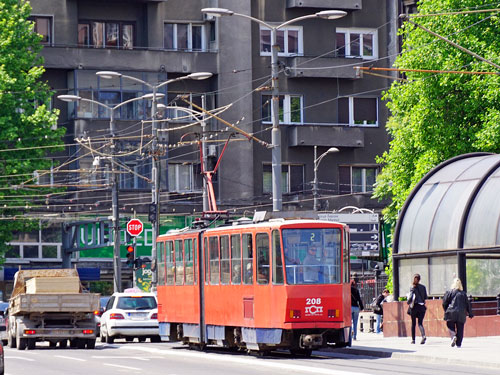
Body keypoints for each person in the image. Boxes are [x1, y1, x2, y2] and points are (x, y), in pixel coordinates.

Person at [442, 278, 473, 348]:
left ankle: (453, 336)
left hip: (451, 312)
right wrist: (470, 313)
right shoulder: (463, 294)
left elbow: (444, 303)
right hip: (461, 313)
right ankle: (459, 344)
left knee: (450, 325)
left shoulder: (449, 292)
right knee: (460, 328)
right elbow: (467, 304)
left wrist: (446, 310)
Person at [407, 273, 428, 344]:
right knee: (420, 323)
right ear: (419, 279)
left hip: (415, 307)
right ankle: (423, 336)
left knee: (413, 323)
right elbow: (425, 297)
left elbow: (410, 297)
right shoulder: (423, 287)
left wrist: (408, 302)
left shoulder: (412, 287)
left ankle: (413, 340)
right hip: (422, 307)